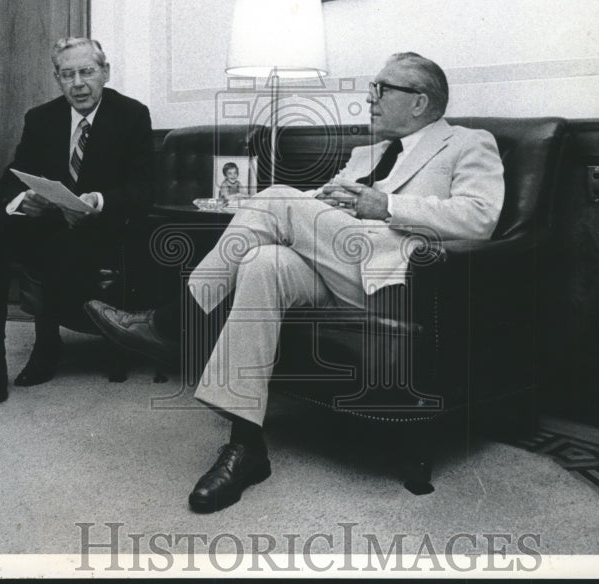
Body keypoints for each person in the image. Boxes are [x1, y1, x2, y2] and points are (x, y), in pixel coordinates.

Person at [85, 52, 504, 512]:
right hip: (339, 265)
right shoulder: (368, 151)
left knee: (275, 198)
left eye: (382, 88)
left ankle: (172, 322)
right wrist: (305, 203)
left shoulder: (467, 143)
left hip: (398, 277)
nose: (371, 97)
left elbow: (480, 218)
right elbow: (312, 208)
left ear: (420, 101)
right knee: (265, 260)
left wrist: (383, 205)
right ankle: (246, 447)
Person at [0, 37, 154, 405]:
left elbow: (143, 188)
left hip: (104, 230)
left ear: (105, 72)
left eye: (87, 72)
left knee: (60, 242)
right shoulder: (41, 118)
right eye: (67, 75)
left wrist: (98, 200)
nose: (78, 84)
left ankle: (46, 344)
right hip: (49, 224)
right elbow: (10, 178)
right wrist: (25, 200)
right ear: (57, 78)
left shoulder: (132, 114)